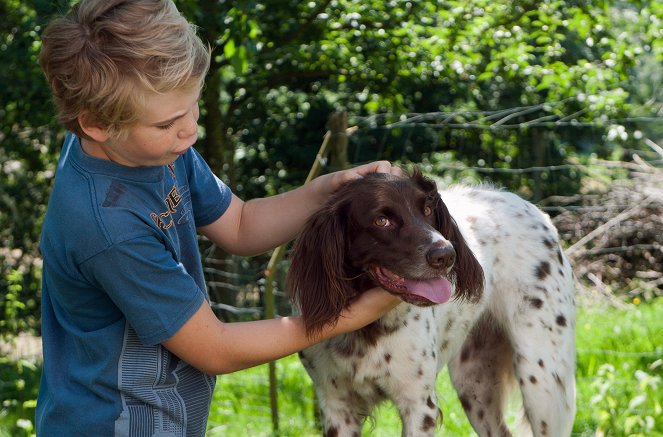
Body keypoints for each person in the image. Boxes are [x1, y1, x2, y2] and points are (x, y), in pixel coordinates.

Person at [36, 0, 402, 435]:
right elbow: (216, 348)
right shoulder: (106, 222)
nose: (191, 130)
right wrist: (352, 315)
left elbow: (241, 224)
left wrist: (324, 191)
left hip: (165, 414)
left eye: (193, 106)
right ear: (95, 124)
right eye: (168, 122)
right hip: (117, 424)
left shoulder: (151, 147)